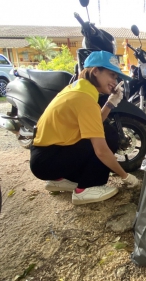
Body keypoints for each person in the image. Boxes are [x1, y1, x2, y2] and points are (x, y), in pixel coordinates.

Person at [30, 51, 139, 205]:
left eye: (116, 77)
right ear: (95, 71)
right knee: (109, 135)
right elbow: (101, 150)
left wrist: (110, 103)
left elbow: (93, 123)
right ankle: (86, 188)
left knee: (102, 132)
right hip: (48, 160)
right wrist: (125, 176)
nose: (115, 81)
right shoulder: (85, 99)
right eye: (111, 75)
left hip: (44, 157)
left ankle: (61, 180)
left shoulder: (78, 88)